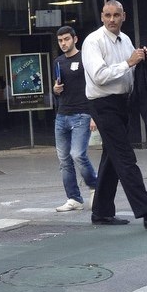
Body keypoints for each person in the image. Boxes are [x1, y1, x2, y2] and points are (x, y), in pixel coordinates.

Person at [81, 1, 147, 230]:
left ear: (124, 16)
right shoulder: (93, 41)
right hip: (102, 104)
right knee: (125, 158)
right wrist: (129, 62)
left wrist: (141, 59)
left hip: (123, 102)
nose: (111, 19)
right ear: (101, 16)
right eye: (107, 15)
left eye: (116, 15)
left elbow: (130, 69)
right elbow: (99, 76)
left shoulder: (126, 41)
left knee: (112, 157)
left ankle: (101, 212)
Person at [52, 26, 99, 212]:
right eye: (60, 40)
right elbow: (57, 89)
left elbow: (95, 87)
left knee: (77, 154)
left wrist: (94, 116)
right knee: (64, 160)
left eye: (66, 39)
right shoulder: (58, 62)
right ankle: (74, 198)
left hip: (82, 114)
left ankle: (95, 186)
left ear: (75, 39)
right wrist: (55, 91)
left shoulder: (85, 59)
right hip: (62, 115)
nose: (63, 43)